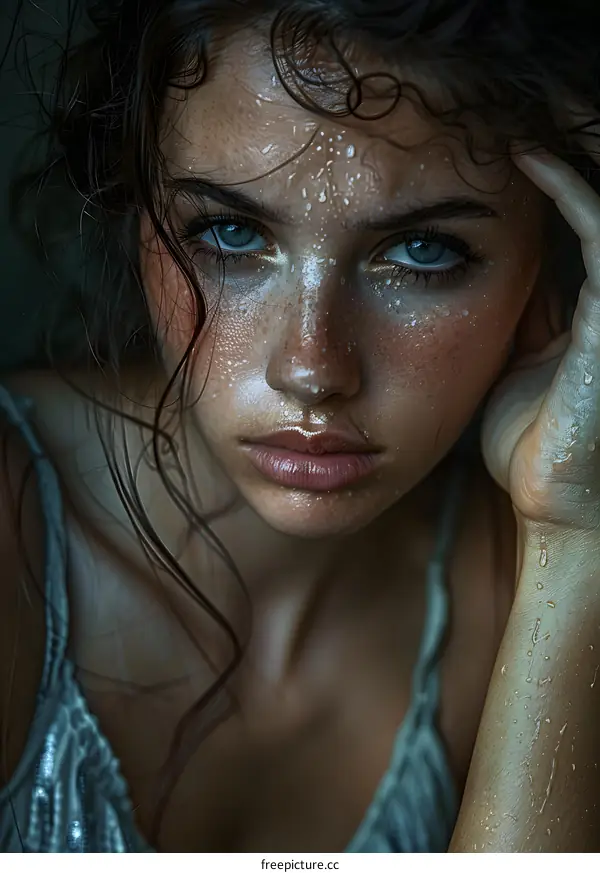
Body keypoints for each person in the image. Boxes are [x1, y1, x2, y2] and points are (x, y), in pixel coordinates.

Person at [1, 0, 600, 853]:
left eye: (423, 252)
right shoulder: (13, 531)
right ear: (139, 215)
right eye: (231, 232)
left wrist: (578, 529)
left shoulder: (518, 587)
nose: (312, 369)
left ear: (548, 274)